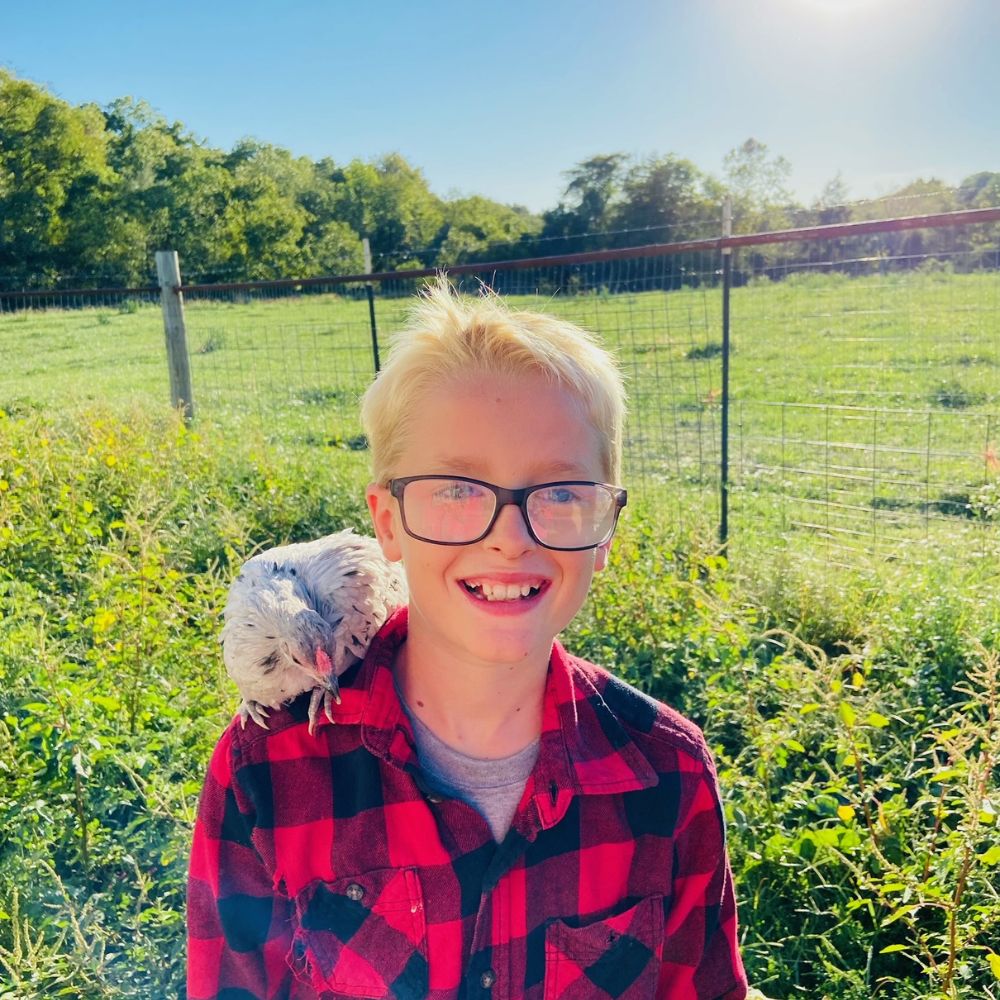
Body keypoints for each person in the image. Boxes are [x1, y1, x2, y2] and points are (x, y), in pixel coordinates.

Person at [187, 279, 748, 999]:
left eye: (562, 493)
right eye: (457, 488)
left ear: (605, 528)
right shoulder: (265, 770)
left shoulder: (667, 774)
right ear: (386, 522)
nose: (509, 540)